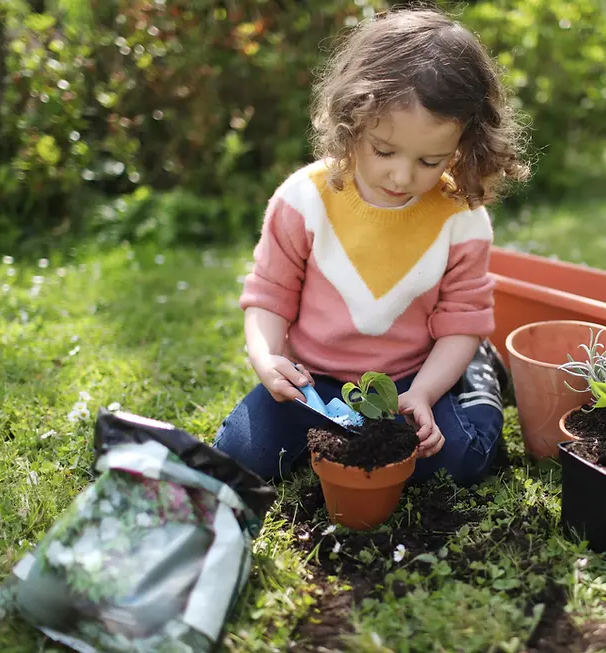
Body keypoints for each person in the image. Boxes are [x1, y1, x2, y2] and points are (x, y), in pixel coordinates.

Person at [214, 6, 529, 486]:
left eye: (430, 160)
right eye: (384, 151)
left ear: (465, 144)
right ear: (351, 122)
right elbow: (268, 295)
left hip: (412, 377)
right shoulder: (304, 200)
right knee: (241, 457)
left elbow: (461, 318)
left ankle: (475, 373)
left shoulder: (461, 217)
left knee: (461, 462)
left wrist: (423, 392)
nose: (402, 177)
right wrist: (265, 356)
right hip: (313, 383)